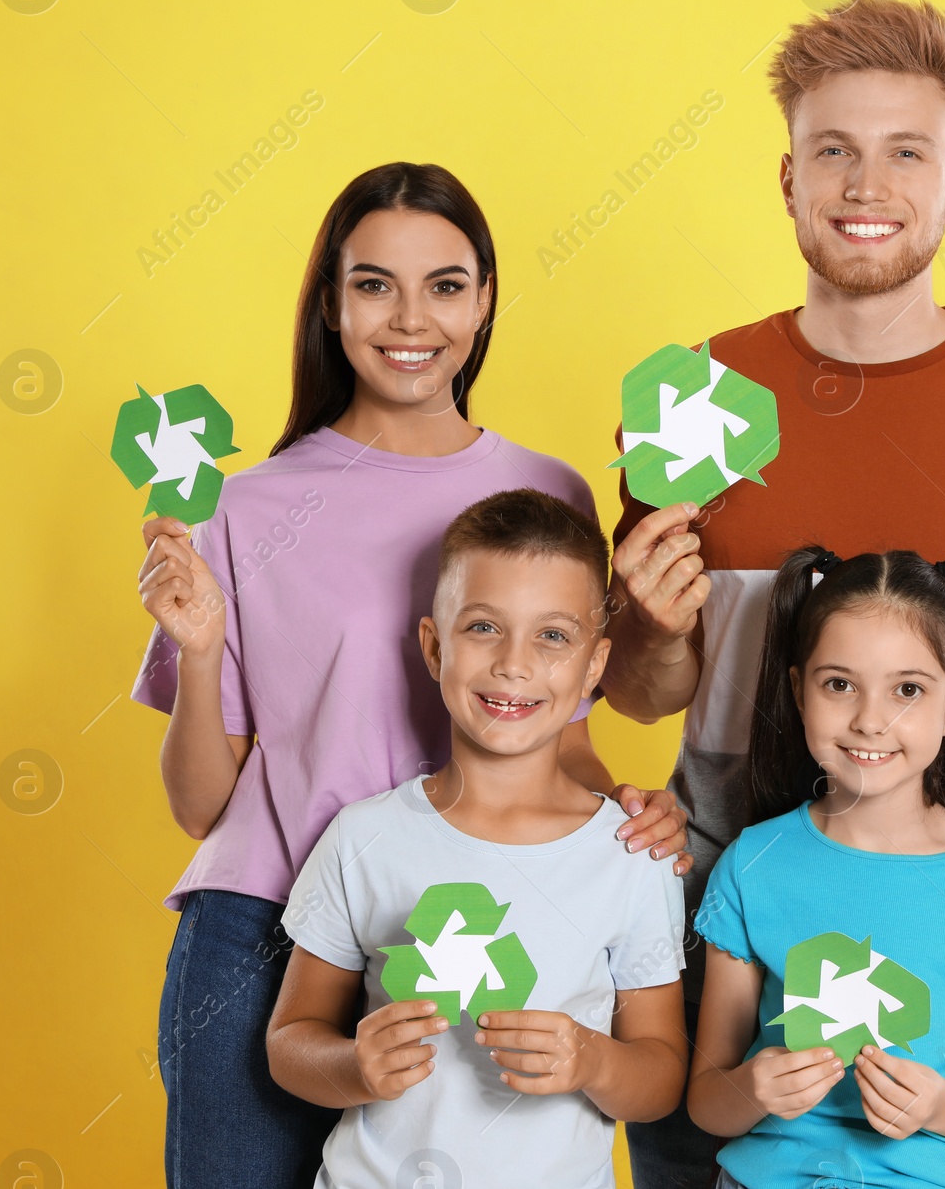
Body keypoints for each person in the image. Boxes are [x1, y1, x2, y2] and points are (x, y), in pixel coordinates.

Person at [604, 0, 945, 1185]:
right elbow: (649, 696)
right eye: (834, 149)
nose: (868, 182)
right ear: (788, 177)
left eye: (908, 150)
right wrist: (644, 624)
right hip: (720, 892)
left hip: (942, 900)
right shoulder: (689, 397)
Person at [129, 164, 689, 1189]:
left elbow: (555, 731)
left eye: (445, 283)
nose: (410, 317)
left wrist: (630, 814)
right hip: (262, 928)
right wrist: (200, 652)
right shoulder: (242, 506)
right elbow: (204, 803)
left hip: (473, 928)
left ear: (483, 300)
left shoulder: (545, 485)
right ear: (332, 304)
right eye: (375, 283)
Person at [266, 488, 688, 1189]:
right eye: (484, 627)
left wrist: (593, 1061)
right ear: (434, 646)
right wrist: (352, 1066)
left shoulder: (631, 854)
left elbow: (662, 1074)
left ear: (593, 666)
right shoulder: (363, 838)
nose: (513, 665)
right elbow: (289, 1043)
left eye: (552, 635)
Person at [686, 547, 945, 1189]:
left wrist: (944, 1106)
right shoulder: (752, 865)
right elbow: (707, 1103)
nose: (870, 719)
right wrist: (752, 1090)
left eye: (908, 690)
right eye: (839, 684)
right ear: (796, 690)